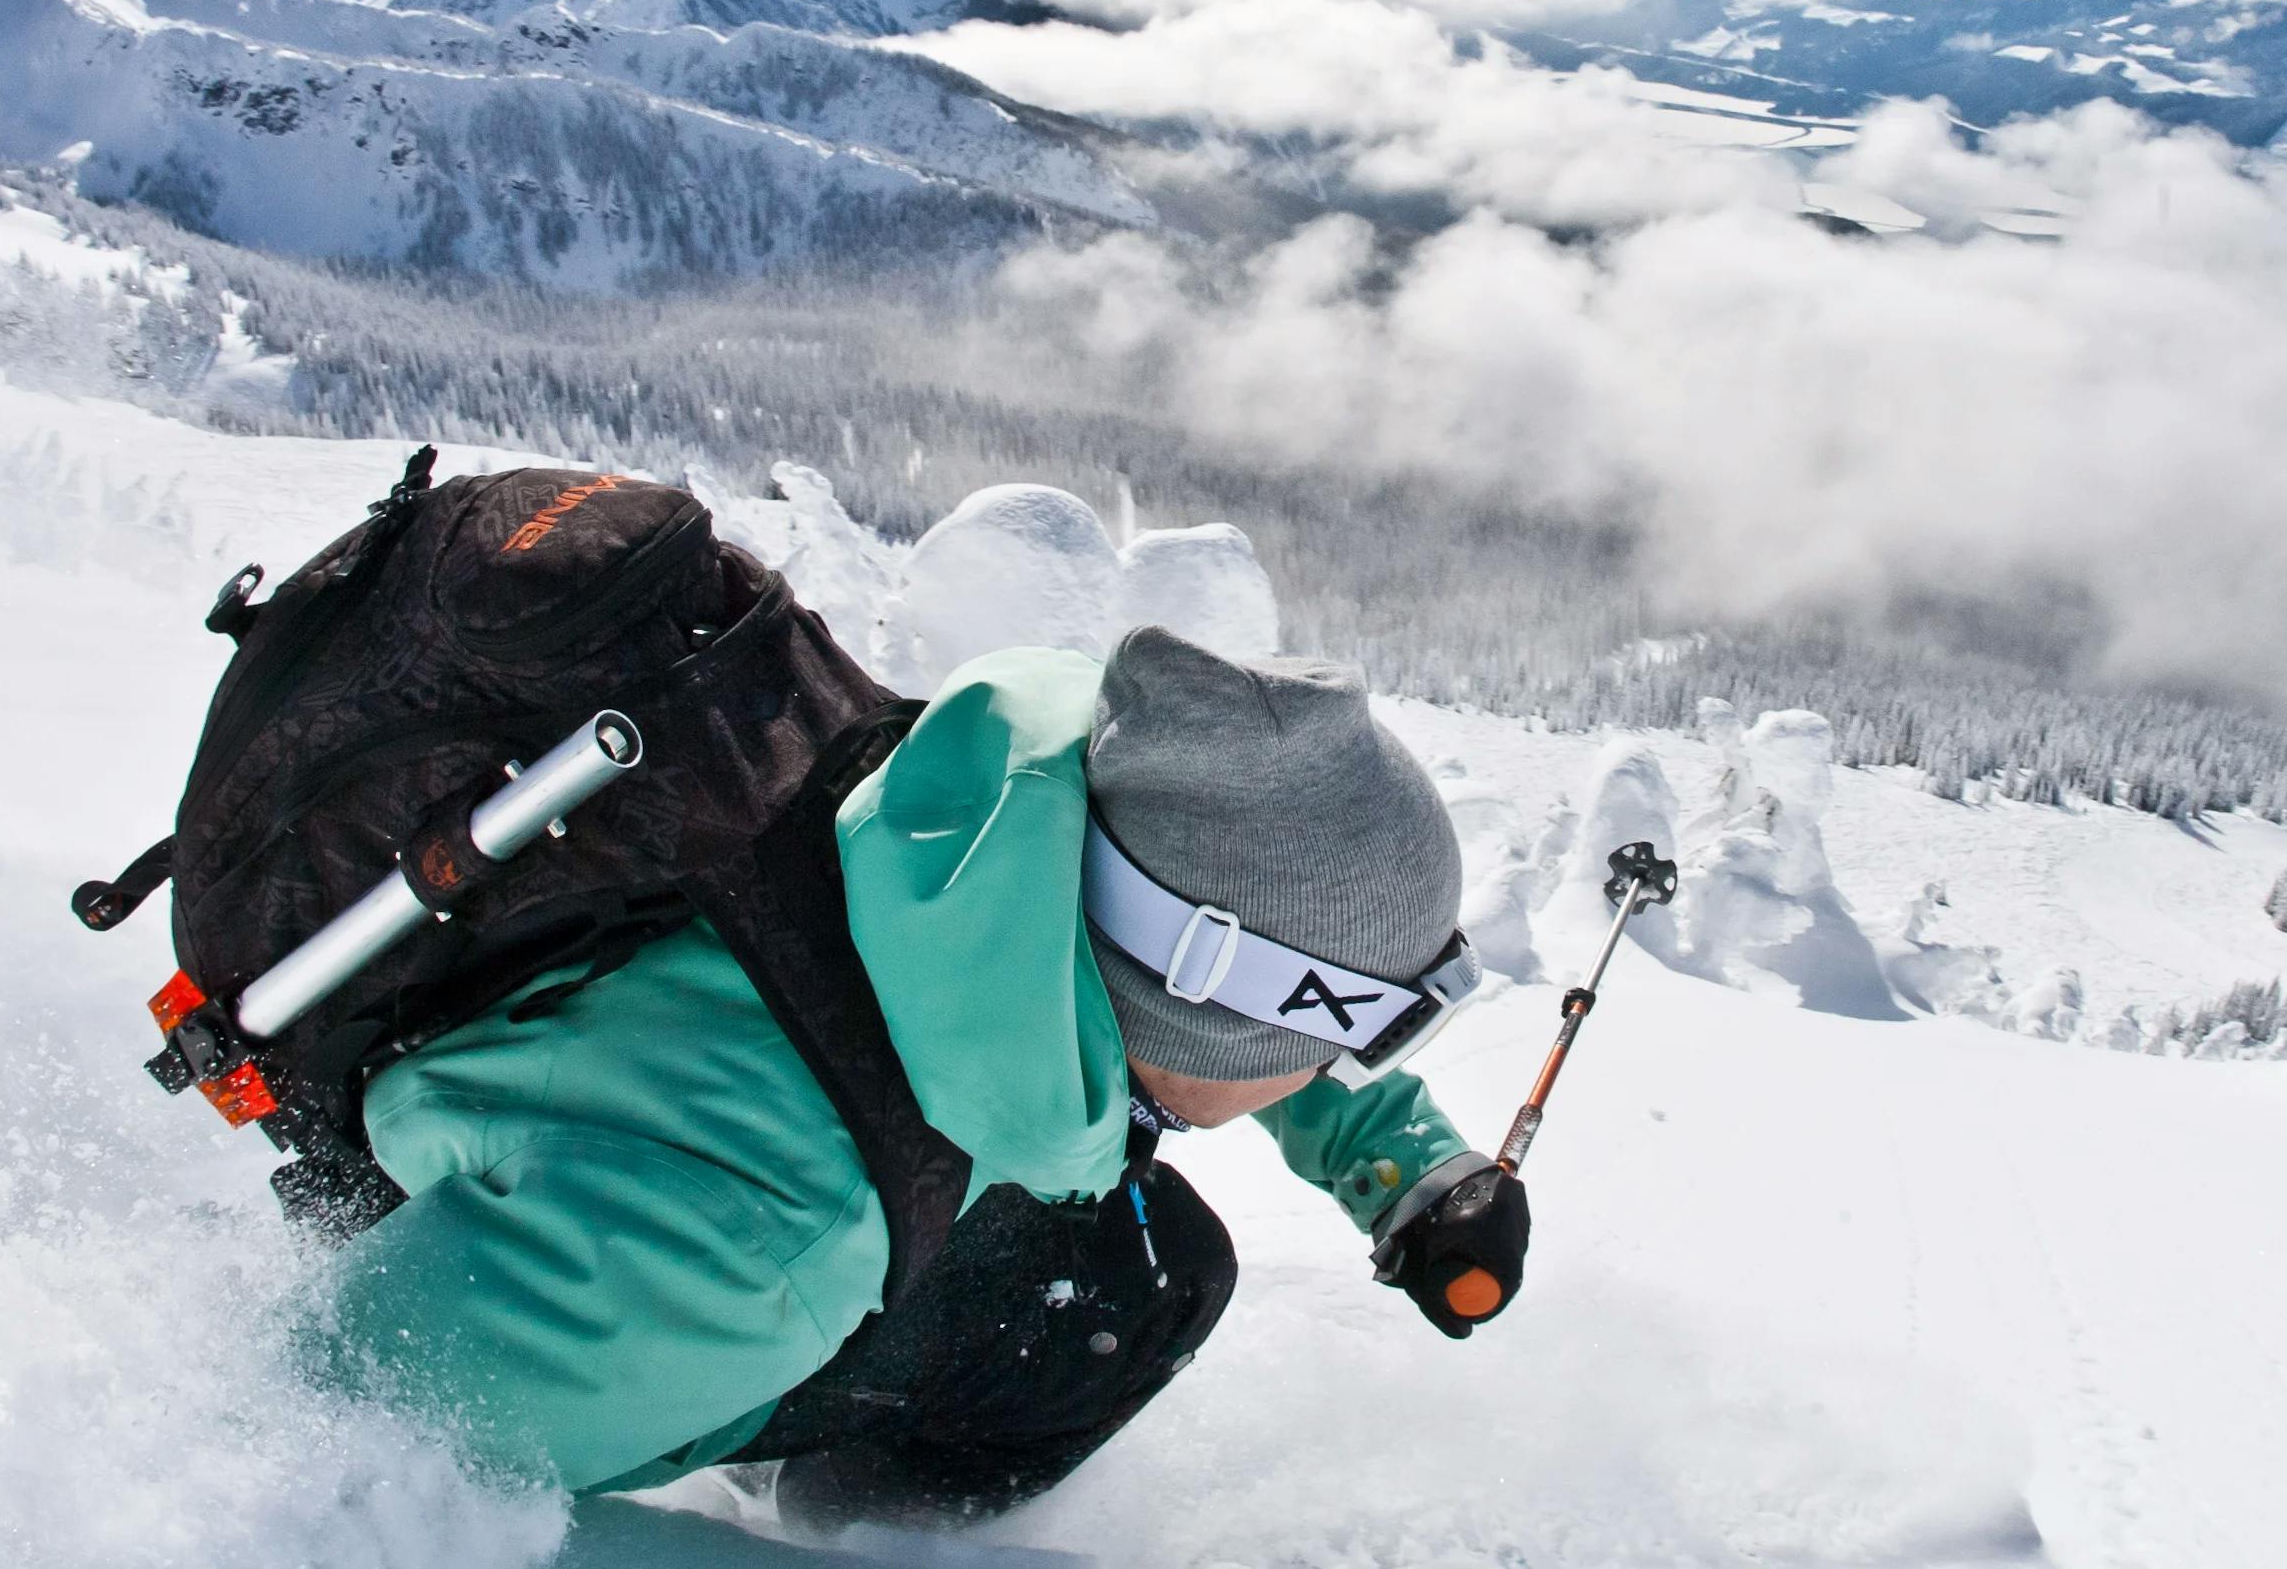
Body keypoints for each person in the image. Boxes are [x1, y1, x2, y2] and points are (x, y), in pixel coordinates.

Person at [314, 625, 1528, 1521]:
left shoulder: (992, 823)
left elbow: (1220, 1009)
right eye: (1351, 1032)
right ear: (1216, 1005)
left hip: (592, 1100)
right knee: (1132, 1291)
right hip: (584, 1243)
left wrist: (1409, 1167)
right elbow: (347, 1459)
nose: (1335, 1067)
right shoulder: (779, 1238)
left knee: (1138, 1257)